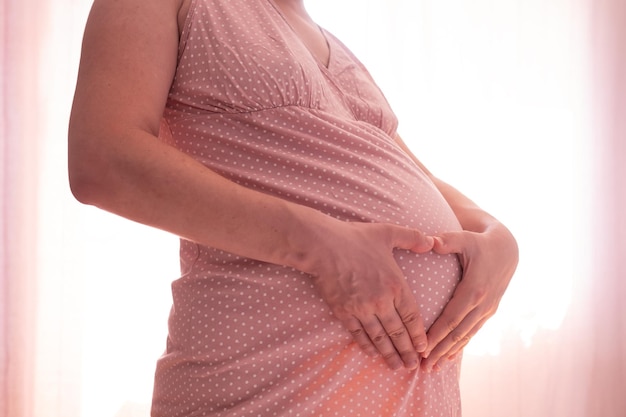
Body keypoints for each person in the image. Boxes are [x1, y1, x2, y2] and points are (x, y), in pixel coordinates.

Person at [68, 0, 518, 415]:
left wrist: (496, 235)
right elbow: (102, 158)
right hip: (265, 385)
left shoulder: (329, 41)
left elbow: (416, 177)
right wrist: (322, 246)